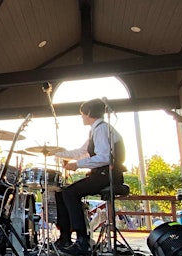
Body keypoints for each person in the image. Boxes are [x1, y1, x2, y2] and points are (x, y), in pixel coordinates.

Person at [53, 98, 126, 255]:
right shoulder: (97, 130)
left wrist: (77, 165)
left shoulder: (101, 130)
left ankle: (82, 242)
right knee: (63, 192)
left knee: (69, 192)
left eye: (82, 114)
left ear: (89, 113)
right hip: (102, 173)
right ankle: (65, 237)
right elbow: (81, 152)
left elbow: (104, 157)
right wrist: (56, 153)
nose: (82, 117)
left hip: (108, 174)